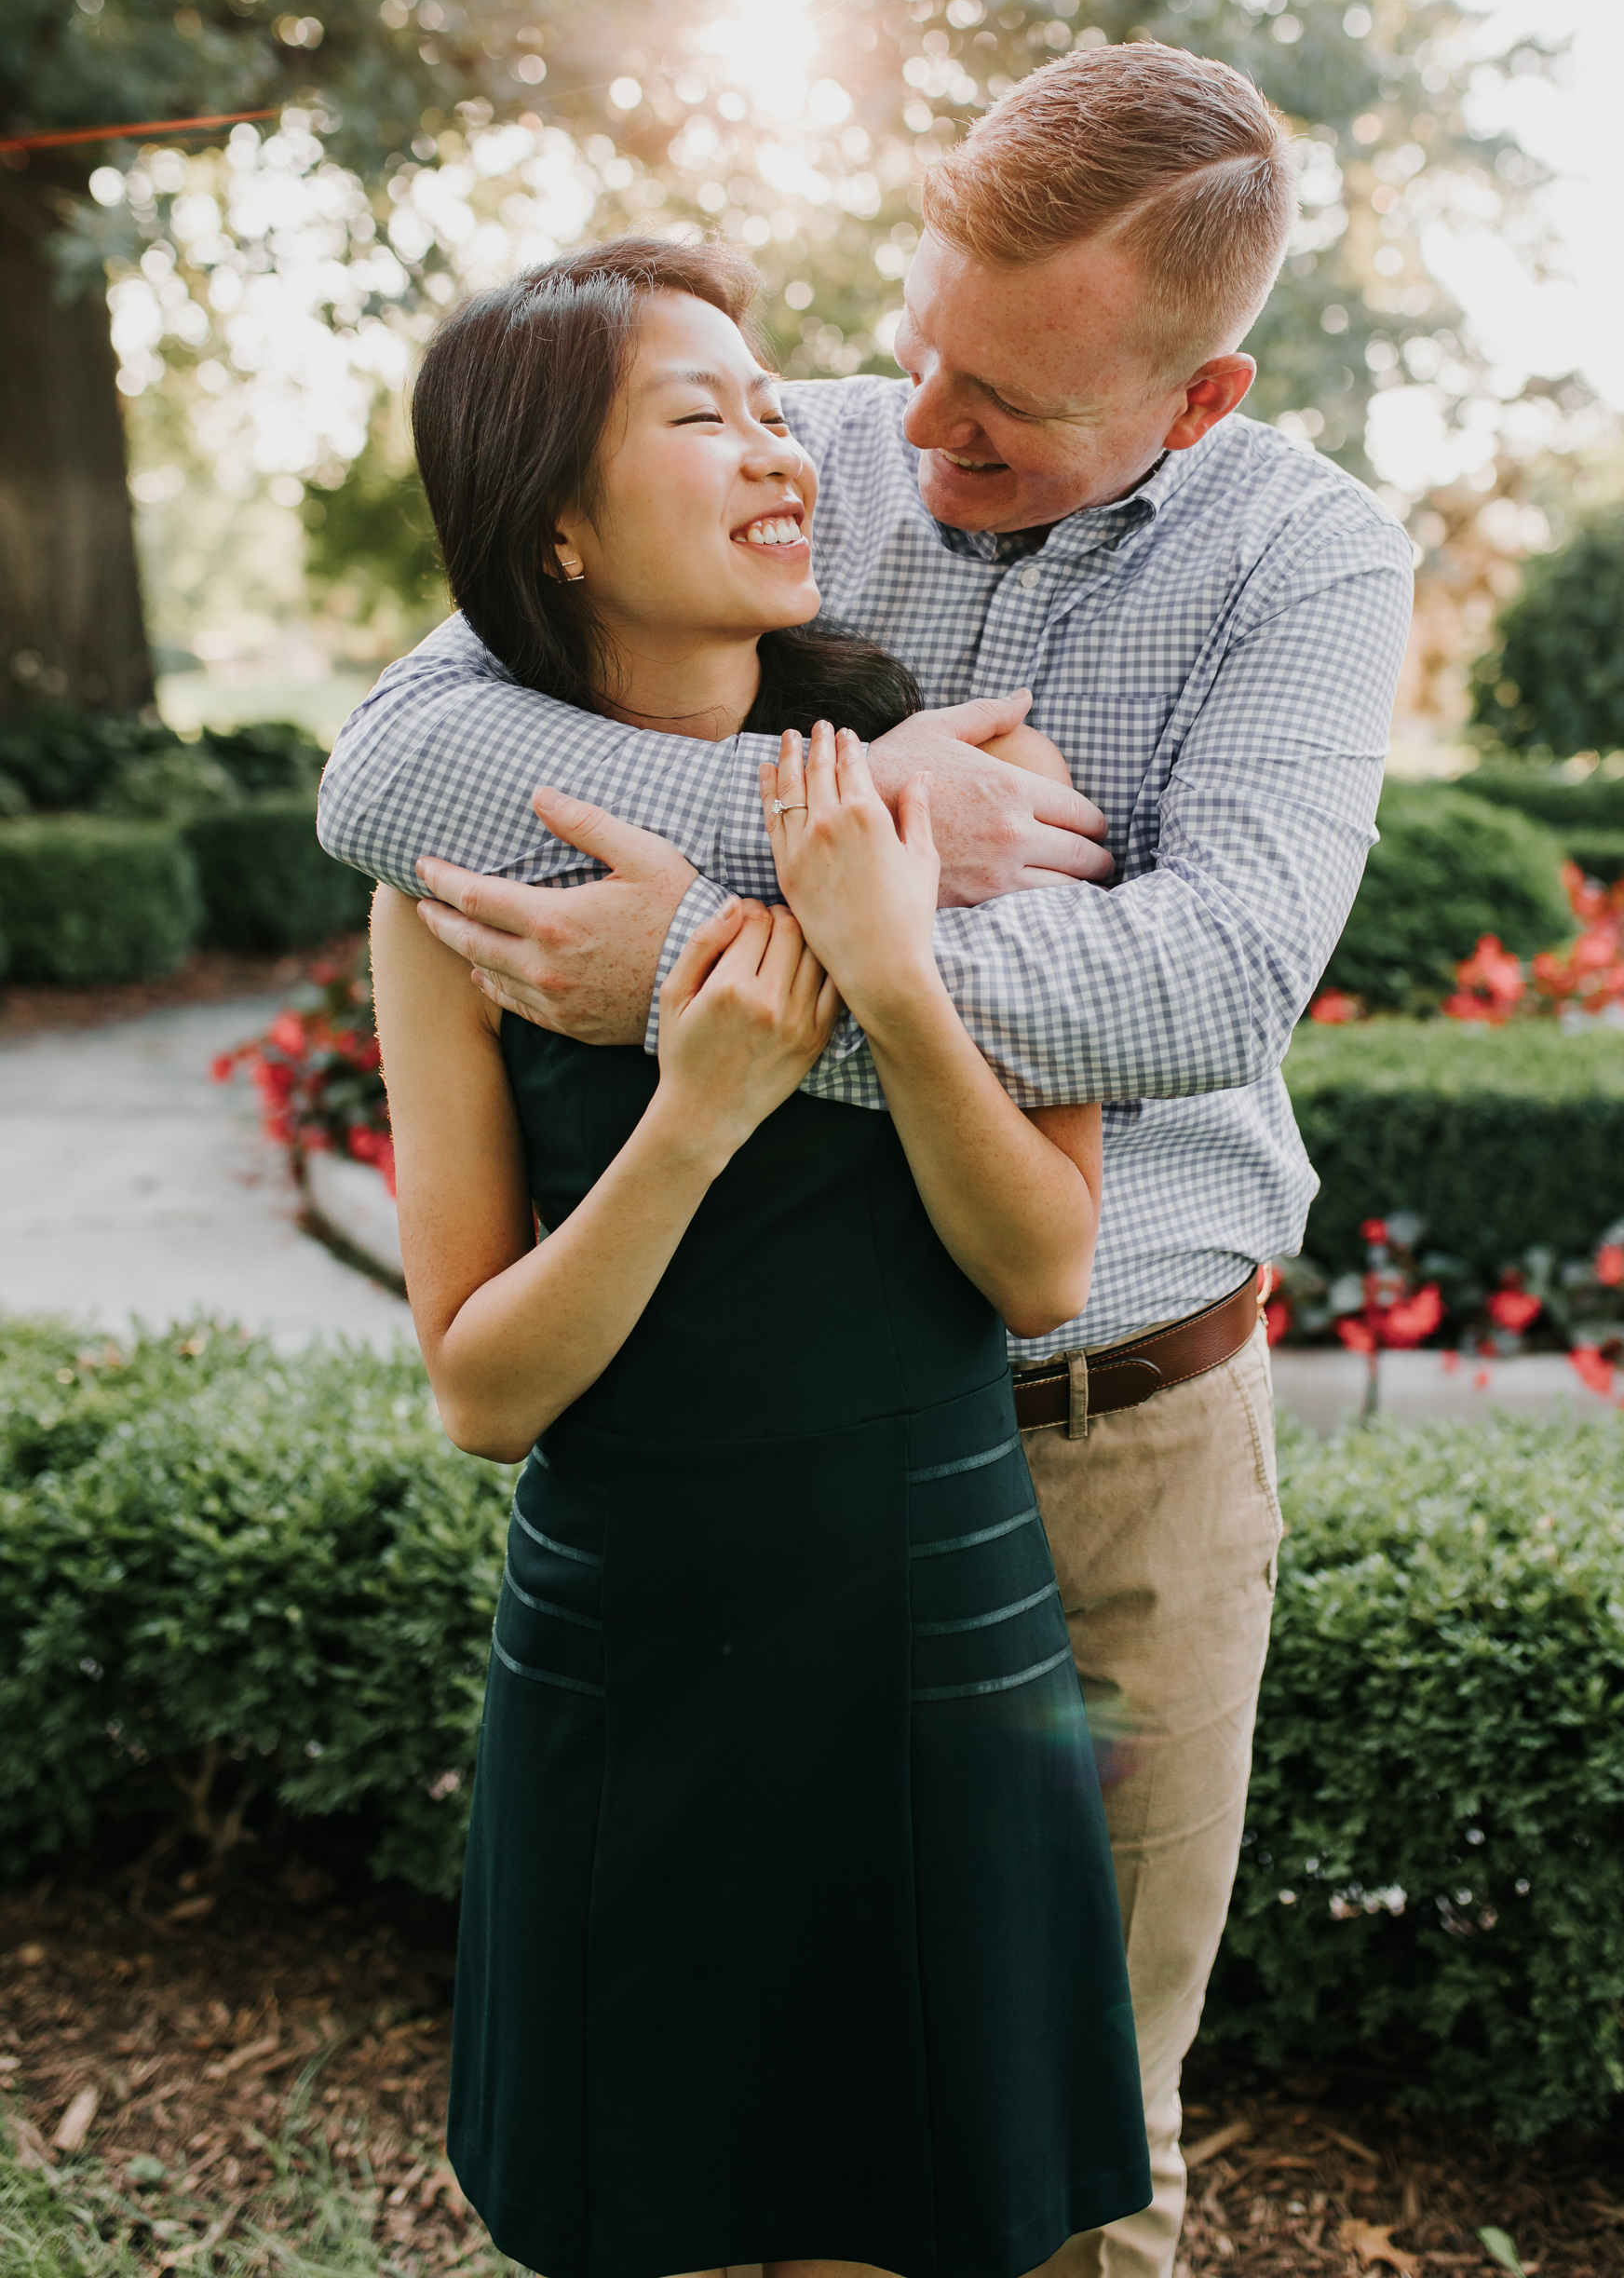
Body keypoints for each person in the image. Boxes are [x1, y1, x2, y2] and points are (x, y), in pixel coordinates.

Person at [320, 41, 1415, 2278]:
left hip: (1099, 1461)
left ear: (1187, 406)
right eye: (914, 351)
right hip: (723, 1501)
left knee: (1061, 2155)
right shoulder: (771, 438)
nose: (900, 436)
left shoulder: (1303, 564)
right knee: (700, 2137)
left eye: (997, 407)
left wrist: (723, 985)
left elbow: (1196, 986)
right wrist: (831, 855)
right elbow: (391, 765)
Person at [371, 235, 1152, 2278]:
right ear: (552, 517)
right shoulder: (447, 881)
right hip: (635, 1645)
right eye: (698, 412)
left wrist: (893, 986)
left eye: (775, 406)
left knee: (916, 2228)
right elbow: (479, 1390)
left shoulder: (973, 806)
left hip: (930, 1634)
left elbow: (1040, 1267)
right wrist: (697, 1100)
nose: (784, 449)